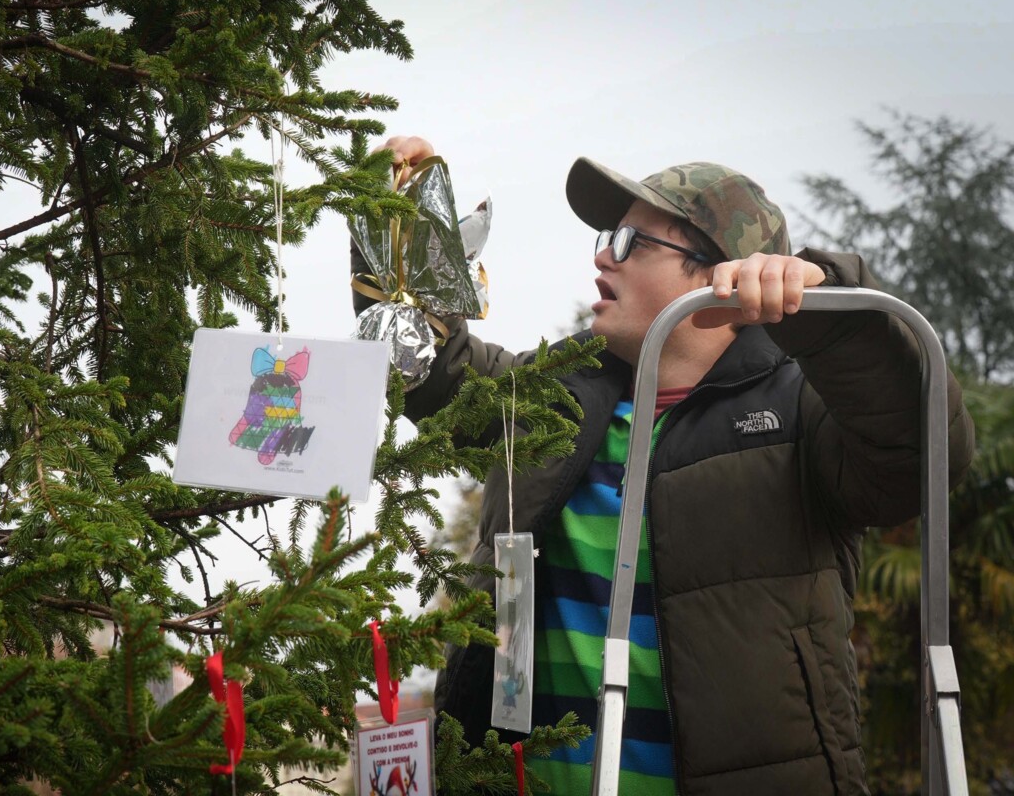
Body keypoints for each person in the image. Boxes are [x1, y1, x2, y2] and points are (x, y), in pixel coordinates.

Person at [350, 136, 975, 795]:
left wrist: (833, 310)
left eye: (629, 243)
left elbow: (920, 455)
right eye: (604, 236)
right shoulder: (550, 394)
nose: (599, 255)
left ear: (724, 274)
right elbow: (428, 376)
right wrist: (395, 244)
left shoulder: (803, 409)